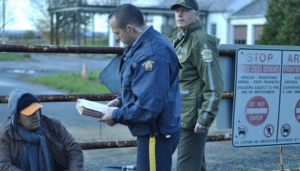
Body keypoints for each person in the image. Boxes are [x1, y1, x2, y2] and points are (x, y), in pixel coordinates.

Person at [99, 4, 182, 171]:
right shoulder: (144, 43)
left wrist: (116, 115)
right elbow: (139, 84)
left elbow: (148, 107)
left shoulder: (150, 54)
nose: (117, 38)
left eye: (117, 33)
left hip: (155, 132)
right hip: (156, 129)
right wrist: (120, 100)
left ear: (129, 28)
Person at [167, 0, 224, 170]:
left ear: (197, 14)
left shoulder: (201, 41)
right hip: (178, 113)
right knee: (195, 164)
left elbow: (214, 82)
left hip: (192, 118)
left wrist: (205, 116)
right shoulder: (175, 37)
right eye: (177, 10)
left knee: (186, 166)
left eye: (185, 10)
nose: (179, 14)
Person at [0, 89, 85, 171]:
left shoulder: (53, 125)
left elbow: (74, 149)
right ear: (17, 118)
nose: (36, 116)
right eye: (30, 113)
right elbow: (3, 164)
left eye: (37, 110)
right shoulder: (6, 133)